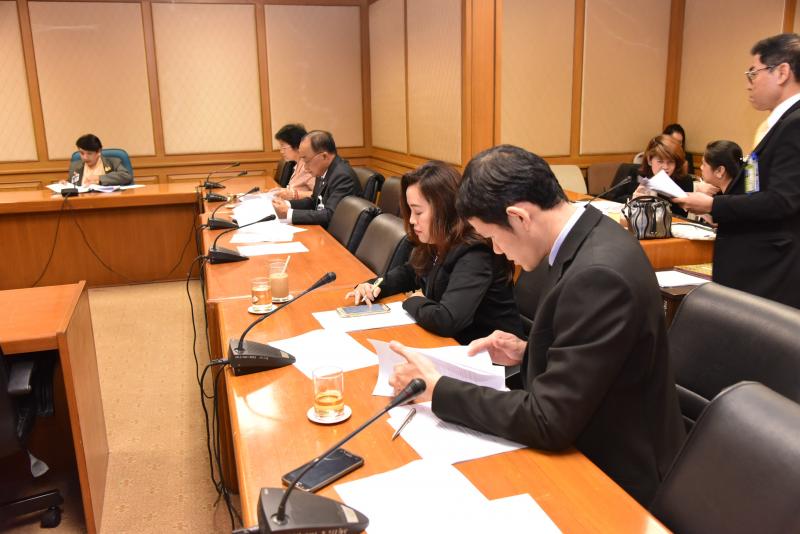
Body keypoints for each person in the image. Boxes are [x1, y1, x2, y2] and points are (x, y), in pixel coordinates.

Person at [387, 145, 685, 506]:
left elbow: (548, 420)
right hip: (587, 432)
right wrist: (527, 351)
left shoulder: (598, 275)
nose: (497, 251)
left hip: (614, 474)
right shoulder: (589, 233)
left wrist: (439, 390)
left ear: (519, 217)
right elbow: (598, 354)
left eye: (493, 237)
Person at [674, 33, 800, 309]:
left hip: (770, 272)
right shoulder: (779, 123)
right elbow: (757, 192)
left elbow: (782, 201)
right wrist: (722, 210)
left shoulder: (795, 123)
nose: (748, 83)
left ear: (782, 72)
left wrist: (714, 205)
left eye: (754, 73)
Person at [346, 161, 523, 345]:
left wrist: (412, 301)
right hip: (450, 343)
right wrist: (374, 286)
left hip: (490, 353)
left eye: (418, 212)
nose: (412, 220)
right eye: (410, 211)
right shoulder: (438, 238)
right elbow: (411, 272)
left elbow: (447, 320)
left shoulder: (475, 252)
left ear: (444, 208)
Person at [271, 130, 361, 227]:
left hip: (334, 233)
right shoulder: (323, 169)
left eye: (307, 161)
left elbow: (330, 215)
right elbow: (314, 201)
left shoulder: (342, 176)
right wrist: (287, 204)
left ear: (324, 156)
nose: (305, 167)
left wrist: (289, 214)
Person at [611, 134, 695, 215]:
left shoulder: (684, 180)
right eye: (660, 161)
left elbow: (682, 215)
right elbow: (612, 199)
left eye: (671, 162)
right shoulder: (637, 174)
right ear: (649, 160)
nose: (665, 167)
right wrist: (633, 199)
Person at [270, 124, 315, 201]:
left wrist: (295, 195)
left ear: (297, 145)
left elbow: (320, 195)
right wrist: (283, 190)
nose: (281, 151)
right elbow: (296, 189)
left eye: (283, 147)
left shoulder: (308, 167)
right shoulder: (297, 164)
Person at [66, 134, 132, 186]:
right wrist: (65, 184)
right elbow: (72, 184)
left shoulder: (113, 163)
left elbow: (126, 177)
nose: (85, 157)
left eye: (89, 153)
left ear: (99, 152)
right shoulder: (75, 166)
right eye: (82, 153)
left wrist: (99, 178)